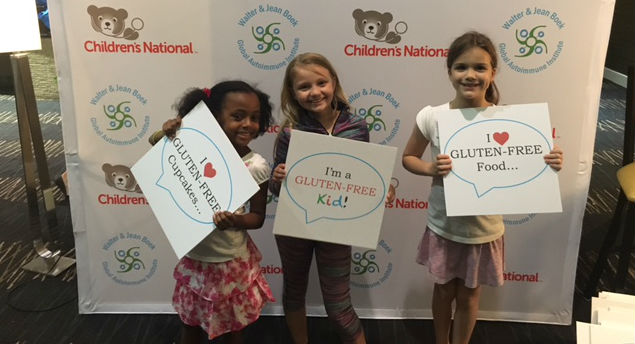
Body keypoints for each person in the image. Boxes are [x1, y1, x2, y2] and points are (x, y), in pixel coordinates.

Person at [401, 32, 563, 344]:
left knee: (470, 297)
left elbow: (531, 165)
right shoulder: (432, 116)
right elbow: (409, 158)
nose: (470, 75)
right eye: (461, 67)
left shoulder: (509, 122)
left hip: (483, 230)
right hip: (443, 226)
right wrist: (430, 168)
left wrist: (551, 161)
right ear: (449, 71)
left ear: (493, 72)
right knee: (443, 290)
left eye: (480, 67)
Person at [270, 52, 394, 344]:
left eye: (321, 82)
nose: (314, 92)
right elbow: (277, 189)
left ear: (333, 82)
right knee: (294, 291)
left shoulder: (357, 127)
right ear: (292, 93)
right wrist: (277, 179)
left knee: (338, 306)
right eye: (304, 87)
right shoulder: (291, 132)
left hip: (337, 229)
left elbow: (363, 179)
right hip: (295, 228)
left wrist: (380, 191)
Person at [152, 81, 276, 344]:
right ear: (213, 117)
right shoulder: (191, 150)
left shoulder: (256, 166)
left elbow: (258, 217)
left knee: (234, 328)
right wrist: (168, 134)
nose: (248, 124)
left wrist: (235, 220)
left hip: (232, 262)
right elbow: (158, 158)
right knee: (190, 324)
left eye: (255, 118)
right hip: (196, 258)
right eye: (238, 116)